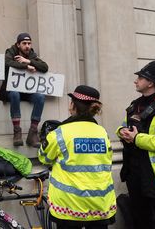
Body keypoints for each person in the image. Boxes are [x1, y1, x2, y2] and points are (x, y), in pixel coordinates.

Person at [39, 85, 116, 229]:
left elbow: (44, 158)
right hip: (99, 204)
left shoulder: (60, 132)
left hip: (69, 206)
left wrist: (44, 140)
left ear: (72, 105)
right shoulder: (102, 132)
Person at [116, 59, 155, 229]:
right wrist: (121, 132)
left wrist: (138, 139)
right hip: (135, 176)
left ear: (151, 82)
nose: (136, 80)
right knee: (141, 221)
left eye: (141, 77)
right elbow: (124, 126)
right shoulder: (134, 106)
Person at [0, 33, 48, 148]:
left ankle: (33, 132)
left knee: (40, 97)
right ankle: (17, 131)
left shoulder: (31, 55)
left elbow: (45, 67)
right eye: (24, 43)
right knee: (15, 94)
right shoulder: (10, 52)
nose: (27, 46)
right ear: (18, 44)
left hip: (27, 92)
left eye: (29, 43)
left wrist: (29, 61)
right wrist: (25, 66)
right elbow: (7, 63)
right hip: (11, 91)